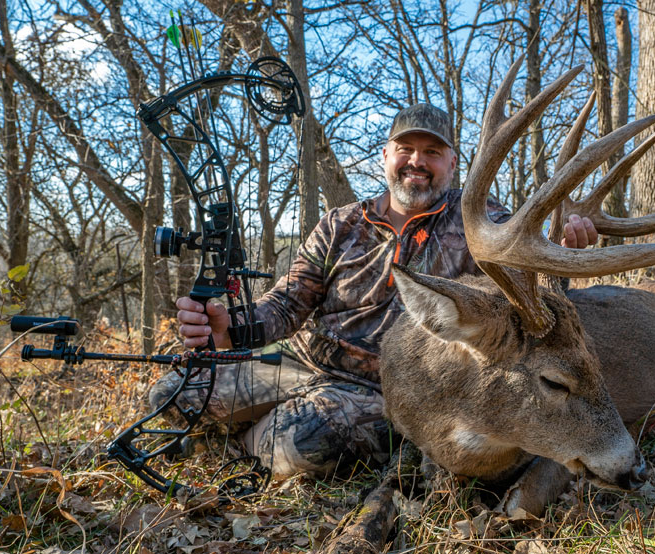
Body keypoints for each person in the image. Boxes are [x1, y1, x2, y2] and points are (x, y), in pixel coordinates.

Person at [149, 103, 598, 478]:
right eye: (405, 149)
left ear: (453, 162)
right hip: (300, 364)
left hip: (379, 390)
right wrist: (230, 328)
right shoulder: (340, 224)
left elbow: (529, 306)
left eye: (432, 152)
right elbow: (287, 304)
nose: (417, 161)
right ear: (385, 156)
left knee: (299, 443)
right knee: (173, 393)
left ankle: (238, 444)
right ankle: (246, 435)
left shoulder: (485, 227)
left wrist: (560, 253)